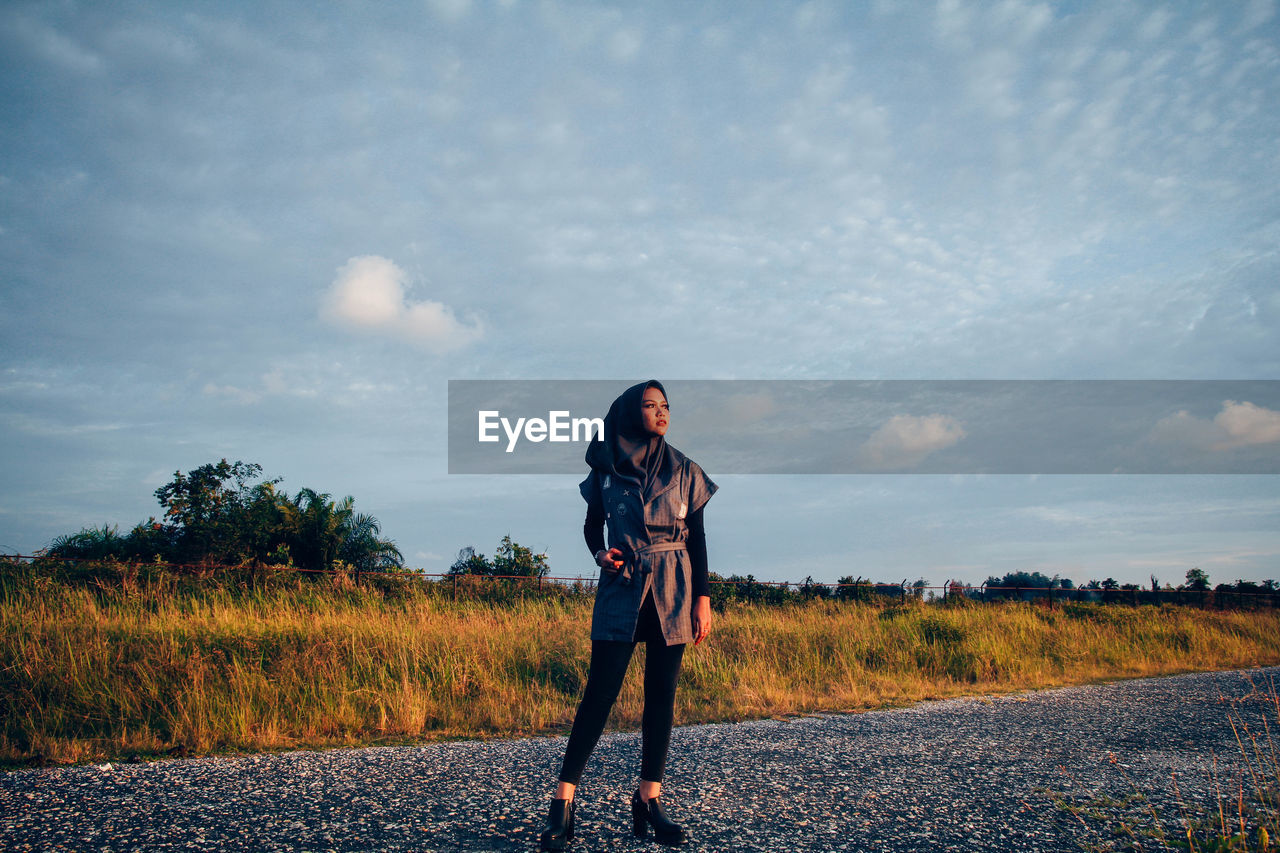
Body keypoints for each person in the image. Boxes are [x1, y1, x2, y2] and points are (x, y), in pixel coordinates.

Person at [539, 380, 718, 850]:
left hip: (675, 583)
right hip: (622, 583)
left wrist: (703, 597)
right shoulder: (605, 469)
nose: (661, 413)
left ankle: (649, 800)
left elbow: (697, 537)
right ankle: (563, 802)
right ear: (628, 413)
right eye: (650, 405)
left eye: (666, 406)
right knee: (599, 694)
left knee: (661, 695)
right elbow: (590, 524)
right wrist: (600, 554)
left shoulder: (684, 468)